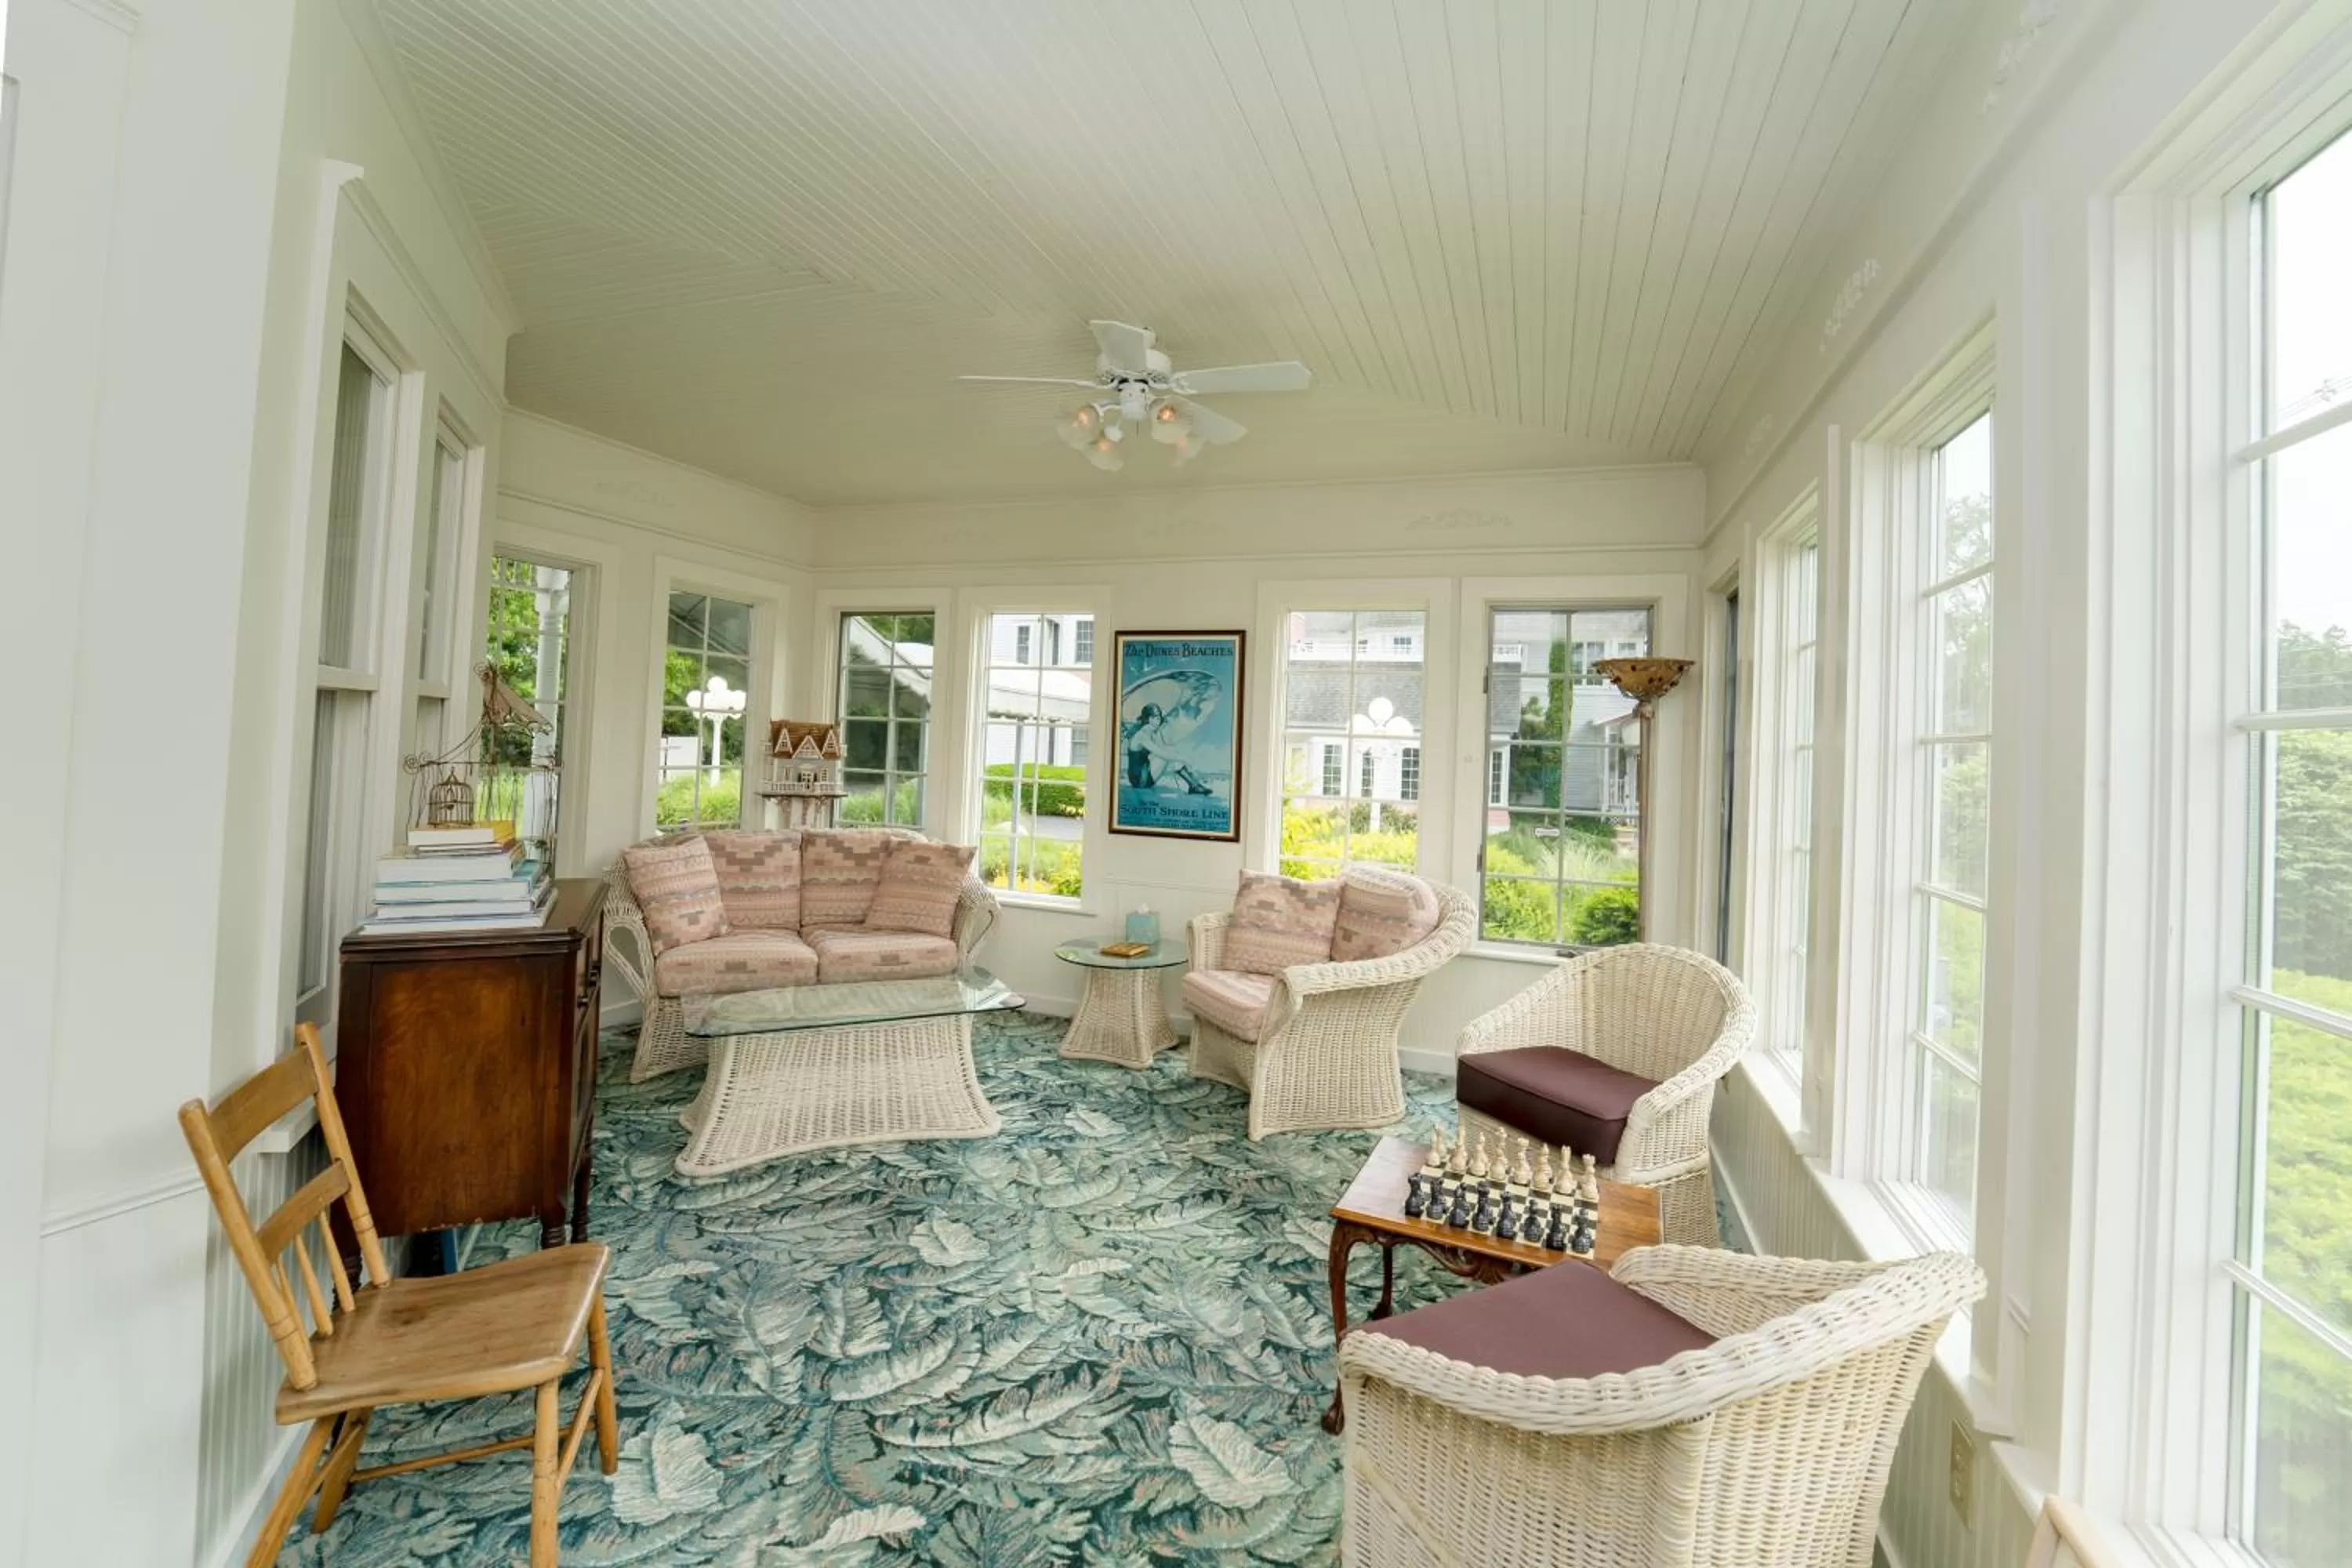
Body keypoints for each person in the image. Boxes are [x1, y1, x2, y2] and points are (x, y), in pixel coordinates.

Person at [1123, 703, 1214, 795]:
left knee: (1170, 750)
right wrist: (1185, 760)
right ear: (1150, 719)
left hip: (1142, 775)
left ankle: (1194, 785)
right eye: (1158, 718)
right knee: (1168, 753)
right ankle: (1194, 786)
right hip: (1141, 781)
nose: (1161, 720)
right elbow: (1161, 753)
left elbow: (1162, 746)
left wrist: (1160, 731)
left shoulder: (1149, 732)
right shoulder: (1142, 735)